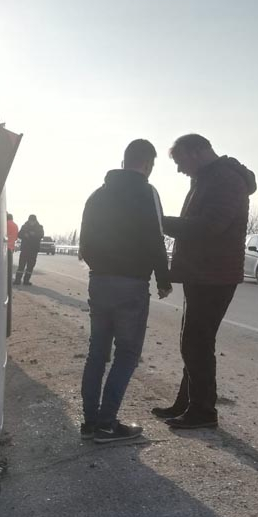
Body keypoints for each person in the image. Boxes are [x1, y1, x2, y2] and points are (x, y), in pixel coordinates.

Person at [153, 134, 256, 429]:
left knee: (196, 342)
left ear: (197, 152)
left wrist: (161, 222)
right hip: (202, 272)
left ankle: (203, 411)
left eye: (180, 161)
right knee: (192, 341)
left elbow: (211, 227)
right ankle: (187, 402)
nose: (179, 169)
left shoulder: (225, 179)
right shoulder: (207, 178)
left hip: (216, 274)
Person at [79, 139, 172, 442]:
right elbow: (156, 238)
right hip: (131, 283)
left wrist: (100, 267)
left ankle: (90, 422)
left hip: (99, 280)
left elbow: (84, 242)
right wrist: (163, 278)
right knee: (128, 353)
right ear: (148, 164)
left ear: (123, 161)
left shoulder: (97, 195)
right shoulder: (147, 192)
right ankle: (108, 425)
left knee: (96, 353)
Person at [14, 214, 43, 285]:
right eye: (30, 221)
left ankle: (26, 281)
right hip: (25, 249)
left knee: (30, 266)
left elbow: (41, 235)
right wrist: (25, 235)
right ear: (28, 220)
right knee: (21, 265)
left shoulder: (39, 227)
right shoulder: (25, 226)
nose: (31, 222)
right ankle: (17, 280)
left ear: (35, 221)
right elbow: (19, 234)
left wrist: (34, 234)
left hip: (34, 249)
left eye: (33, 221)